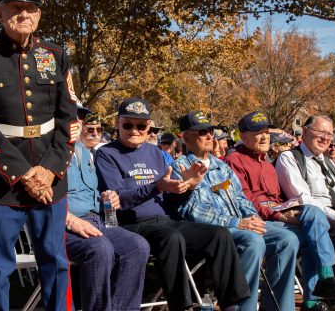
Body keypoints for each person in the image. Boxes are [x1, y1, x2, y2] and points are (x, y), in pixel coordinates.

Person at [0, 0, 77, 310]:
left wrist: (49, 170)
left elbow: (69, 119)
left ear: (40, 14)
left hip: (51, 177)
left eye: (30, 9)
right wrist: (26, 175)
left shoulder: (55, 56)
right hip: (1, 182)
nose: (22, 15)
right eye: (14, 8)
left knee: (55, 263)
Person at [96, 99, 249, 311]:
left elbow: (173, 200)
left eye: (141, 126)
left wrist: (188, 186)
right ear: (117, 123)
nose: (134, 130)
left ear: (148, 127)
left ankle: (232, 305)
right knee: (171, 238)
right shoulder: (107, 154)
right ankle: (183, 306)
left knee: (220, 235)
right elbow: (118, 200)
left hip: (167, 221)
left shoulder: (158, 154)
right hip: (132, 224)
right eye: (128, 125)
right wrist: (157, 186)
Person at [225, 111, 335, 311]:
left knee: (313, 226)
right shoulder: (235, 161)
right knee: (308, 223)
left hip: (278, 217)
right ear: (243, 136)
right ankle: (320, 286)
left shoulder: (267, 163)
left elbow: (278, 199)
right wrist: (280, 214)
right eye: (257, 132)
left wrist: (288, 211)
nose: (264, 137)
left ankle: (316, 295)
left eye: (267, 132)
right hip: (257, 221)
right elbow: (245, 201)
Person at [171, 110, 299, 311]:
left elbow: (240, 197)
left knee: (286, 239)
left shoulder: (221, 166)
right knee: (253, 241)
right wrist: (237, 223)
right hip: (212, 231)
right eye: (201, 132)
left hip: (241, 224)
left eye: (210, 131)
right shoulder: (179, 168)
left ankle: (278, 308)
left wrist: (252, 217)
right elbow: (192, 210)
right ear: (185, 137)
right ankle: (242, 307)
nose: (208, 136)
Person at [276, 115, 335, 304]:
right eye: (321, 132)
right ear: (305, 131)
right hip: (308, 216)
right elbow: (302, 198)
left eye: (330, 134)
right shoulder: (290, 158)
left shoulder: (328, 161)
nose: (326, 138)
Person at [66, 112, 150, 311]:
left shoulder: (88, 154)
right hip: (63, 224)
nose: (94, 133)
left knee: (137, 246)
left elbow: (102, 205)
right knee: (100, 248)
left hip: (97, 220)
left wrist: (107, 202)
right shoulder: (49, 152)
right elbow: (43, 200)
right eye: (74, 117)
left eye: (99, 130)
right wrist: (69, 220)